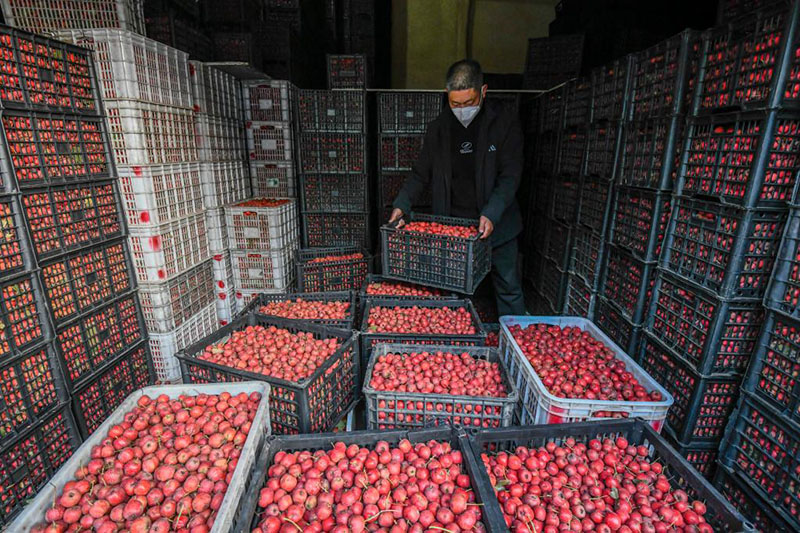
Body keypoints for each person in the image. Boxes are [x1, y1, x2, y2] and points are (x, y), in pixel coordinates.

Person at [389, 58, 526, 317]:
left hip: (498, 225)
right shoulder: (439, 129)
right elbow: (420, 174)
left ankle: (515, 344)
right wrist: (401, 204)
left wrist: (492, 212)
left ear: (483, 91)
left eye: (469, 102)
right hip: (455, 229)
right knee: (454, 294)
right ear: (446, 96)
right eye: (455, 103)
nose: (462, 109)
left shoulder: (504, 124)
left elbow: (510, 175)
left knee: (508, 287)